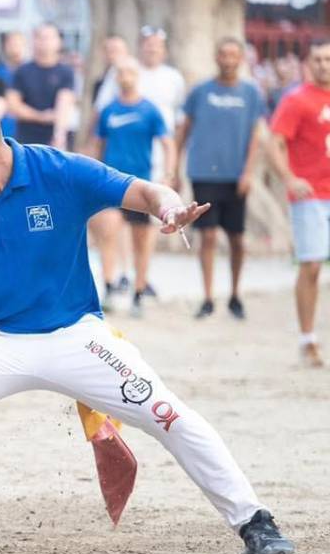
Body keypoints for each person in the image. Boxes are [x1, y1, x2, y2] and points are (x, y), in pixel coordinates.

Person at [0, 83, 294, 554]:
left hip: (74, 336)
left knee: (169, 414)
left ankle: (255, 521)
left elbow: (144, 191)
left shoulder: (60, 172)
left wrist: (170, 209)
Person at [176, 37, 267, 320]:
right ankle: (207, 297)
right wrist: (173, 169)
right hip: (204, 173)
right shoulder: (200, 91)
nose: (228, 59)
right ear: (216, 57)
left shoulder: (251, 94)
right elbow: (184, 130)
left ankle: (236, 295)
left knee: (237, 239)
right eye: (223, 54)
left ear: (241, 59)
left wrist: (249, 171)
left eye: (233, 55)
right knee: (208, 235)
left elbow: (256, 136)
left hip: (235, 176)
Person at [89, 59, 175, 316]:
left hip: (141, 184)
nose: (125, 77)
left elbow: (168, 144)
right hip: (111, 184)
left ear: (137, 76)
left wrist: (169, 175)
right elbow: (98, 145)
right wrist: (92, 175)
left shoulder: (149, 110)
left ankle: (138, 292)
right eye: (120, 73)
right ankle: (108, 287)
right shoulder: (108, 111)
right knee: (108, 231)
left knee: (142, 240)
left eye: (129, 72)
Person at [266, 39, 330, 368]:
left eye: (328, 59)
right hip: (312, 196)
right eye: (317, 59)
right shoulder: (297, 99)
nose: (323, 65)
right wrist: (289, 178)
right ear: (308, 63)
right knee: (312, 265)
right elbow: (274, 142)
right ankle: (308, 339)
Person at [6, 23, 74, 150]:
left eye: (49, 38)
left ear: (59, 42)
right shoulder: (22, 71)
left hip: (54, 140)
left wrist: (59, 135)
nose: (44, 42)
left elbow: (64, 102)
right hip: (25, 141)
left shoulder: (66, 72)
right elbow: (14, 105)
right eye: (40, 37)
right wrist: (41, 116)